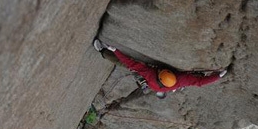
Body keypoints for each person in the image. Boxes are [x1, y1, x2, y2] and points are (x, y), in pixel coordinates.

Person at [93, 39, 228, 93]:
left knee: (125, 64)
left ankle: (103, 52)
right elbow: (200, 82)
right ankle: (106, 52)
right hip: (162, 87)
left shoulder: (150, 74)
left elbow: (130, 62)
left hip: (149, 81)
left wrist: (114, 50)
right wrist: (218, 76)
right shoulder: (180, 80)